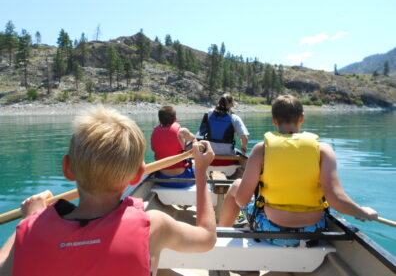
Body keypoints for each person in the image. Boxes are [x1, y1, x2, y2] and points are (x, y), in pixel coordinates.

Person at [0, 106, 216, 276]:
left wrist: (29, 221)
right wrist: (201, 172)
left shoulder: (30, 231)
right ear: (138, 174)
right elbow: (207, 238)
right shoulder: (154, 226)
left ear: (67, 168)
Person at [219, 95, 378, 246]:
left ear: (274, 120)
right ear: (302, 117)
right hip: (313, 232)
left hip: (271, 231)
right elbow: (336, 199)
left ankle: (221, 239)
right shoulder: (323, 150)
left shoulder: (261, 149)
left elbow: (242, 199)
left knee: (236, 185)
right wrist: (363, 212)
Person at [151, 105, 196, 187]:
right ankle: (208, 188)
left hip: (161, 179)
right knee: (199, 166)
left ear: (159, 120)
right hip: (183, 179)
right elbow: (194, 139)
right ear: (175, 119)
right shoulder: (182, 131)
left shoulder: (154, 131)